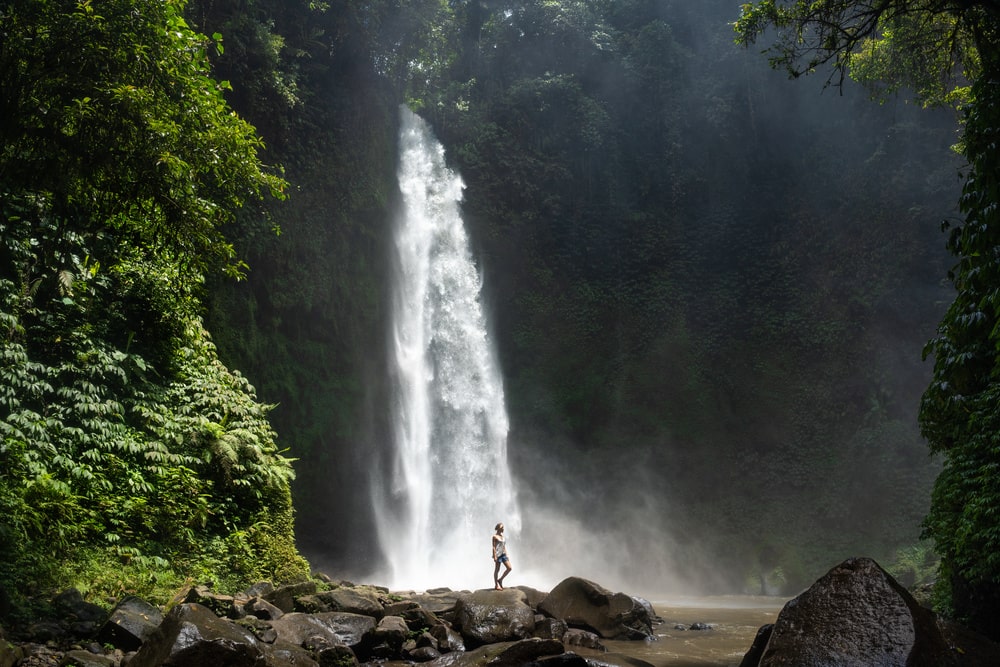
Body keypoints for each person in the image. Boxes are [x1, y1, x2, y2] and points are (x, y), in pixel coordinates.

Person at [492, 522, 512, 590]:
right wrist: (494, 556)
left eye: (503, 527)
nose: (503, 528)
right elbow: (494, 547)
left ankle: (500, 580)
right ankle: (496, 585)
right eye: (502, 527)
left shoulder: (503, 537)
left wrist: (506, 554)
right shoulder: (494, 536)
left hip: (503, 554)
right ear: (498, 528)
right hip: (498, 555)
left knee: (509, 568)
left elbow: (504, 546)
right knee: (497, 570)